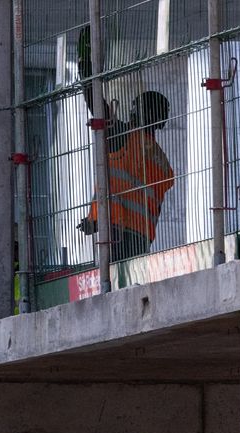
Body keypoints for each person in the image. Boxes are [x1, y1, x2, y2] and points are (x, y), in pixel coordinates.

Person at [77, 28, 175, 263]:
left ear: (141, 113)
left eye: (134, 108)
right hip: (142, 239)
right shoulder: (162, 161)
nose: (130, 113)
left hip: (117, 235)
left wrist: (85, 65)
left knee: (107, 287)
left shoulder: (127, 138)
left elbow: (95, 104)